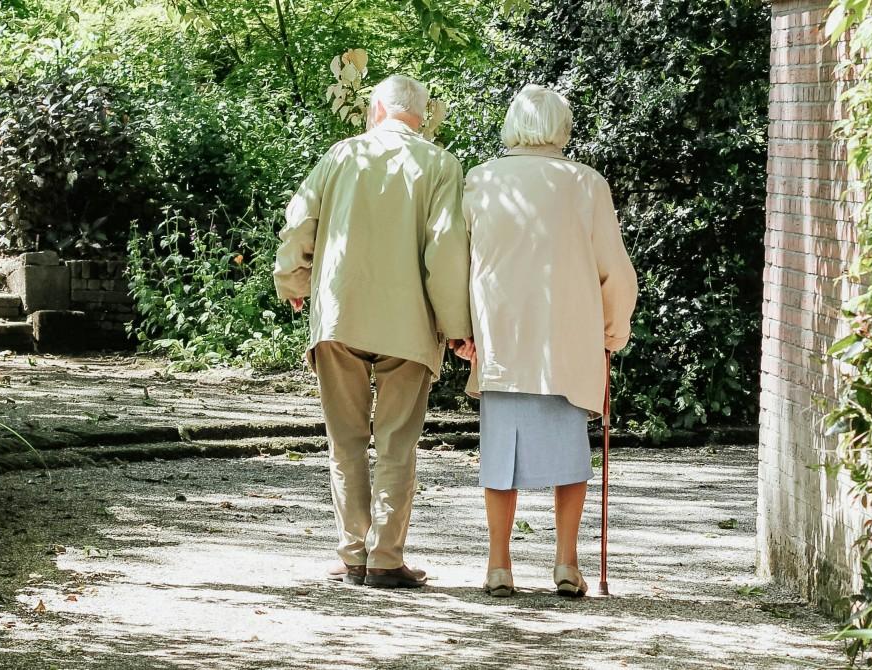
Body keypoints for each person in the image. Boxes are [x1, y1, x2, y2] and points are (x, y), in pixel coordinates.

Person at [273, 74, 473, 589]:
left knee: (345, 440)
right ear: (422, 116)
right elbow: (446, 250)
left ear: (377, 109)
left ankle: (352, 554)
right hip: (409, 323)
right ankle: (385, 558)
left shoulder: (340, 155)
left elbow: (300, 223)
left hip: (341, 314)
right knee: (396, 443)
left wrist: (292, 278)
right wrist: (456, 327)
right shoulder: (441, 164)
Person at [454, 84, 638, 598]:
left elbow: (457, 263)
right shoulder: (586, 184)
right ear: (563, 127)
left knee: (499, 457)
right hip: (568, 340)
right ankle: (565, 562)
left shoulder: (481, 180)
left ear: (514, 124)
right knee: (570, 456)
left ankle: (498, 565)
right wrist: (612, 331)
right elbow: (615, 272)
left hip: (503, 338)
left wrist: (459, 330)